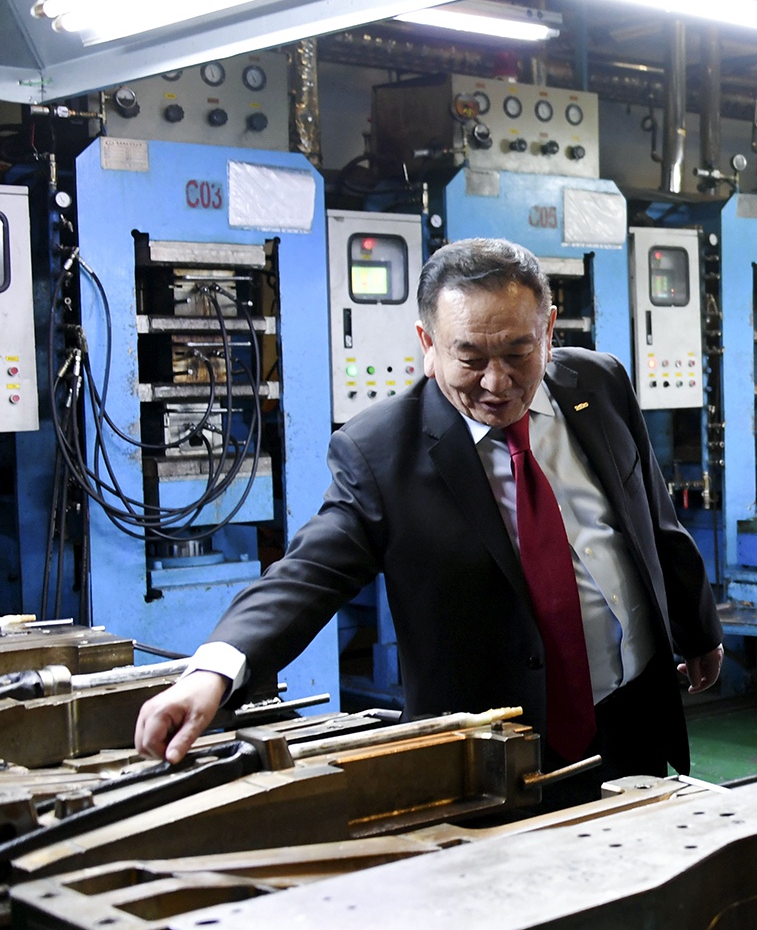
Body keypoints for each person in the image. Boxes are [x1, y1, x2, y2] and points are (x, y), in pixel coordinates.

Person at [134, 238, 724, 790]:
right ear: (428, 343)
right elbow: (308, 573)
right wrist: (213, 672)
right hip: (494, 743)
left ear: (548, 330)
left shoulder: (598, 383)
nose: (496, 382)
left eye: (518, 353)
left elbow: (652, 517)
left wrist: (698, 629)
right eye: (470, 357)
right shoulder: (381, 452)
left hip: (632, 713)